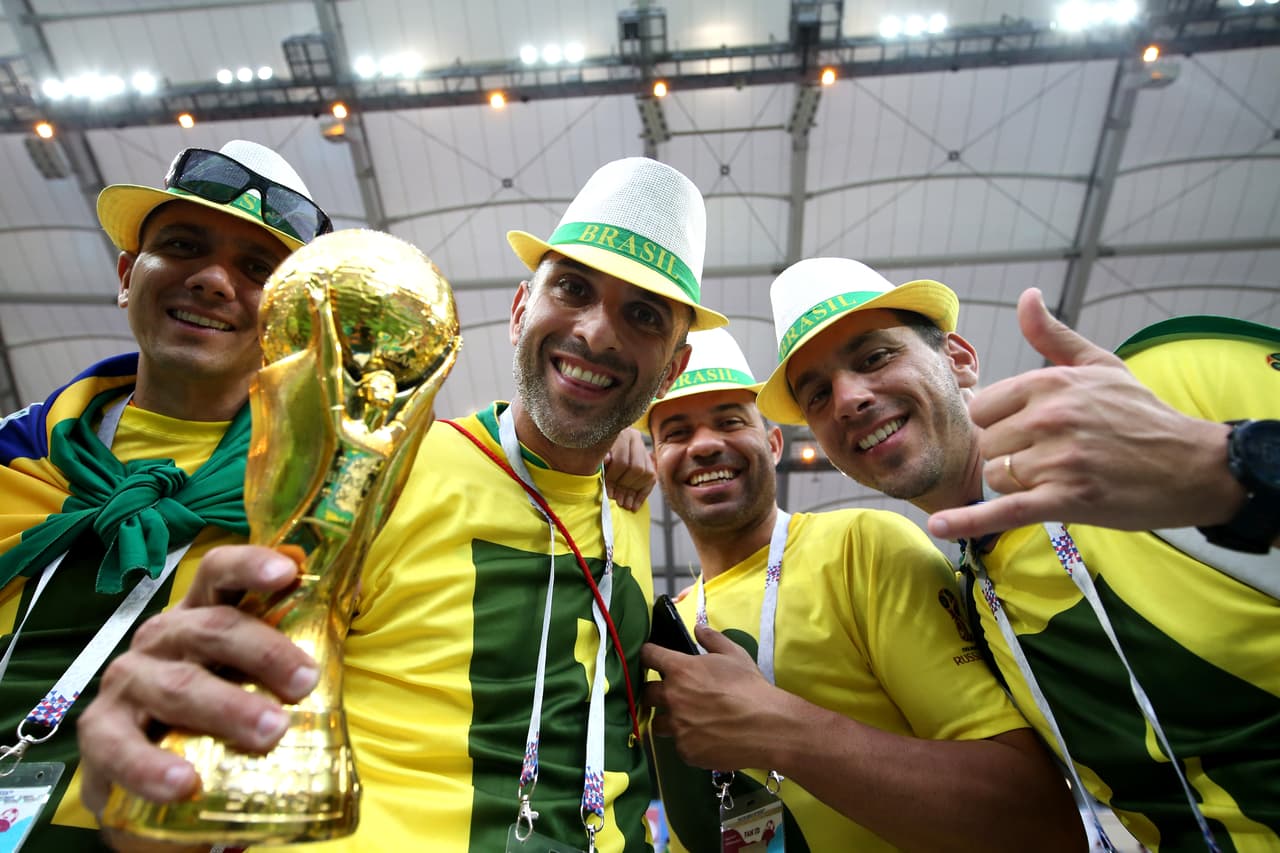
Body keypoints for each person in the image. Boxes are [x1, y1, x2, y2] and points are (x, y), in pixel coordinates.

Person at [74, 156, 730, 853]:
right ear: (517, 311)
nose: (598, 333)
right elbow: (217, 726)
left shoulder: (623, 501)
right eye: (571, 288)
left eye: (643, 315)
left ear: (672, 370)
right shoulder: (379, 470)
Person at [755, 256, 1280, 851]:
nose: (847, 400)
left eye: (875, 357)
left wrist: (1230, 462)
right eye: (817, 395)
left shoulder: (1164, 380)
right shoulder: (975, 601)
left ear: (959, 359)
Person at [0, 140, 333, 852]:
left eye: (256, 269)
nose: (213, 280)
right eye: (183, 245)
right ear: (127, 275)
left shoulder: (318, 501)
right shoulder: (14, 456)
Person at [640, 328, 1084, 852]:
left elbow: (1036, 822)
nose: (706, 443)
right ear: (654, 461)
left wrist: (781, 729)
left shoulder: (862, 546)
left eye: (730, 421)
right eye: (674, 432)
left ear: (775, 442)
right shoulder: (660, 628)